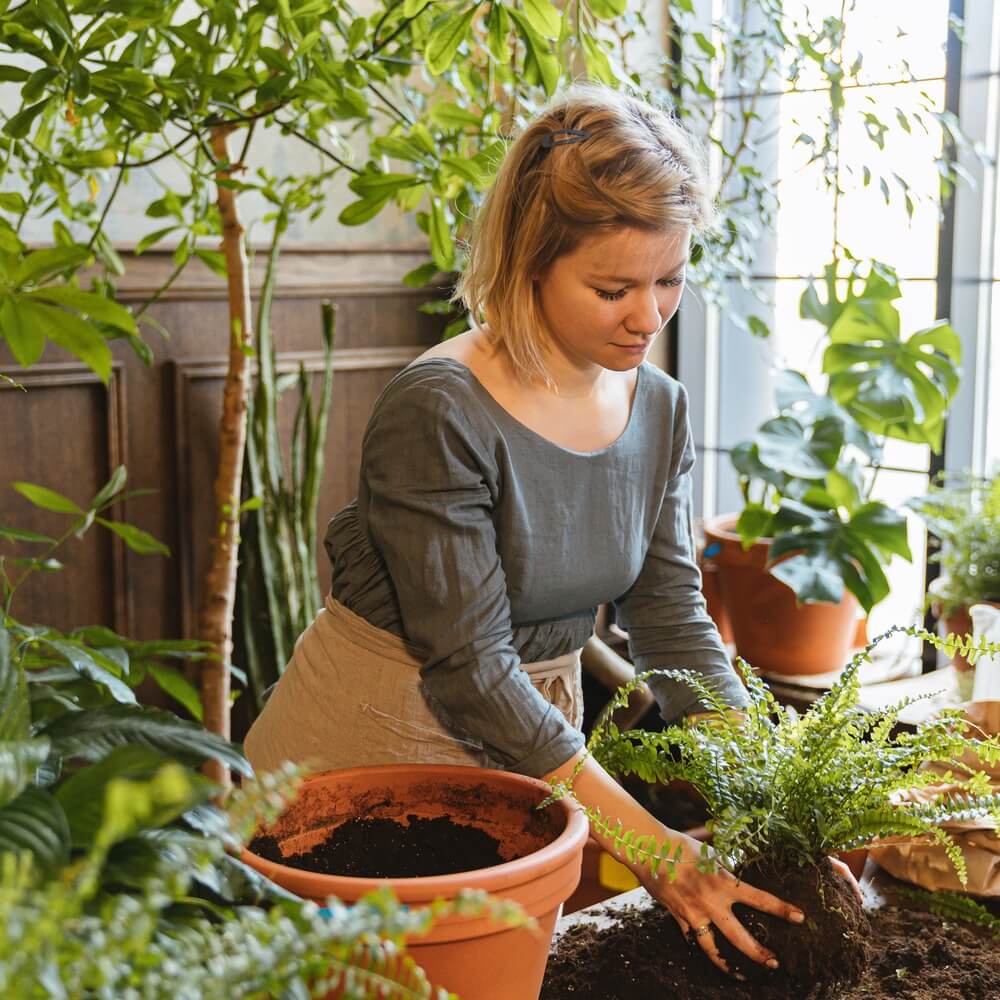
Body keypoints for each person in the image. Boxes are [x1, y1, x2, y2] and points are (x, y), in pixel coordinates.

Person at [245, 84, 807, 978]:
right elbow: (470, 671)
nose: (649, 316)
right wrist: (658, 851)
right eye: (613, 287)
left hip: (539, 750)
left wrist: (775, 783)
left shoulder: (658, 407)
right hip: (370, 754)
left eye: (671, 278)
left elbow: (667, 612)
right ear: (530, 262)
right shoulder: (440, 408)